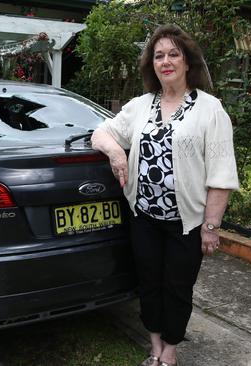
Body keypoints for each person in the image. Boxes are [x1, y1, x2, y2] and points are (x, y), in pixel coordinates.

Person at [91, 24, 239, 366]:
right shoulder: (141, 106)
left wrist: (211, 226)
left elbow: (221, 173)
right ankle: (154, 346)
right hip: (143, 216)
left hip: (185, 222)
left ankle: (170, 353)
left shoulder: (209, 109)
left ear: (188, 62)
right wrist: (116, 153)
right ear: (151, 65)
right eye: (159, 56)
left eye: (174, 54)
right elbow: (101, 132)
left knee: (177, 287)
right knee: (148, 282)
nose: (166, 61)